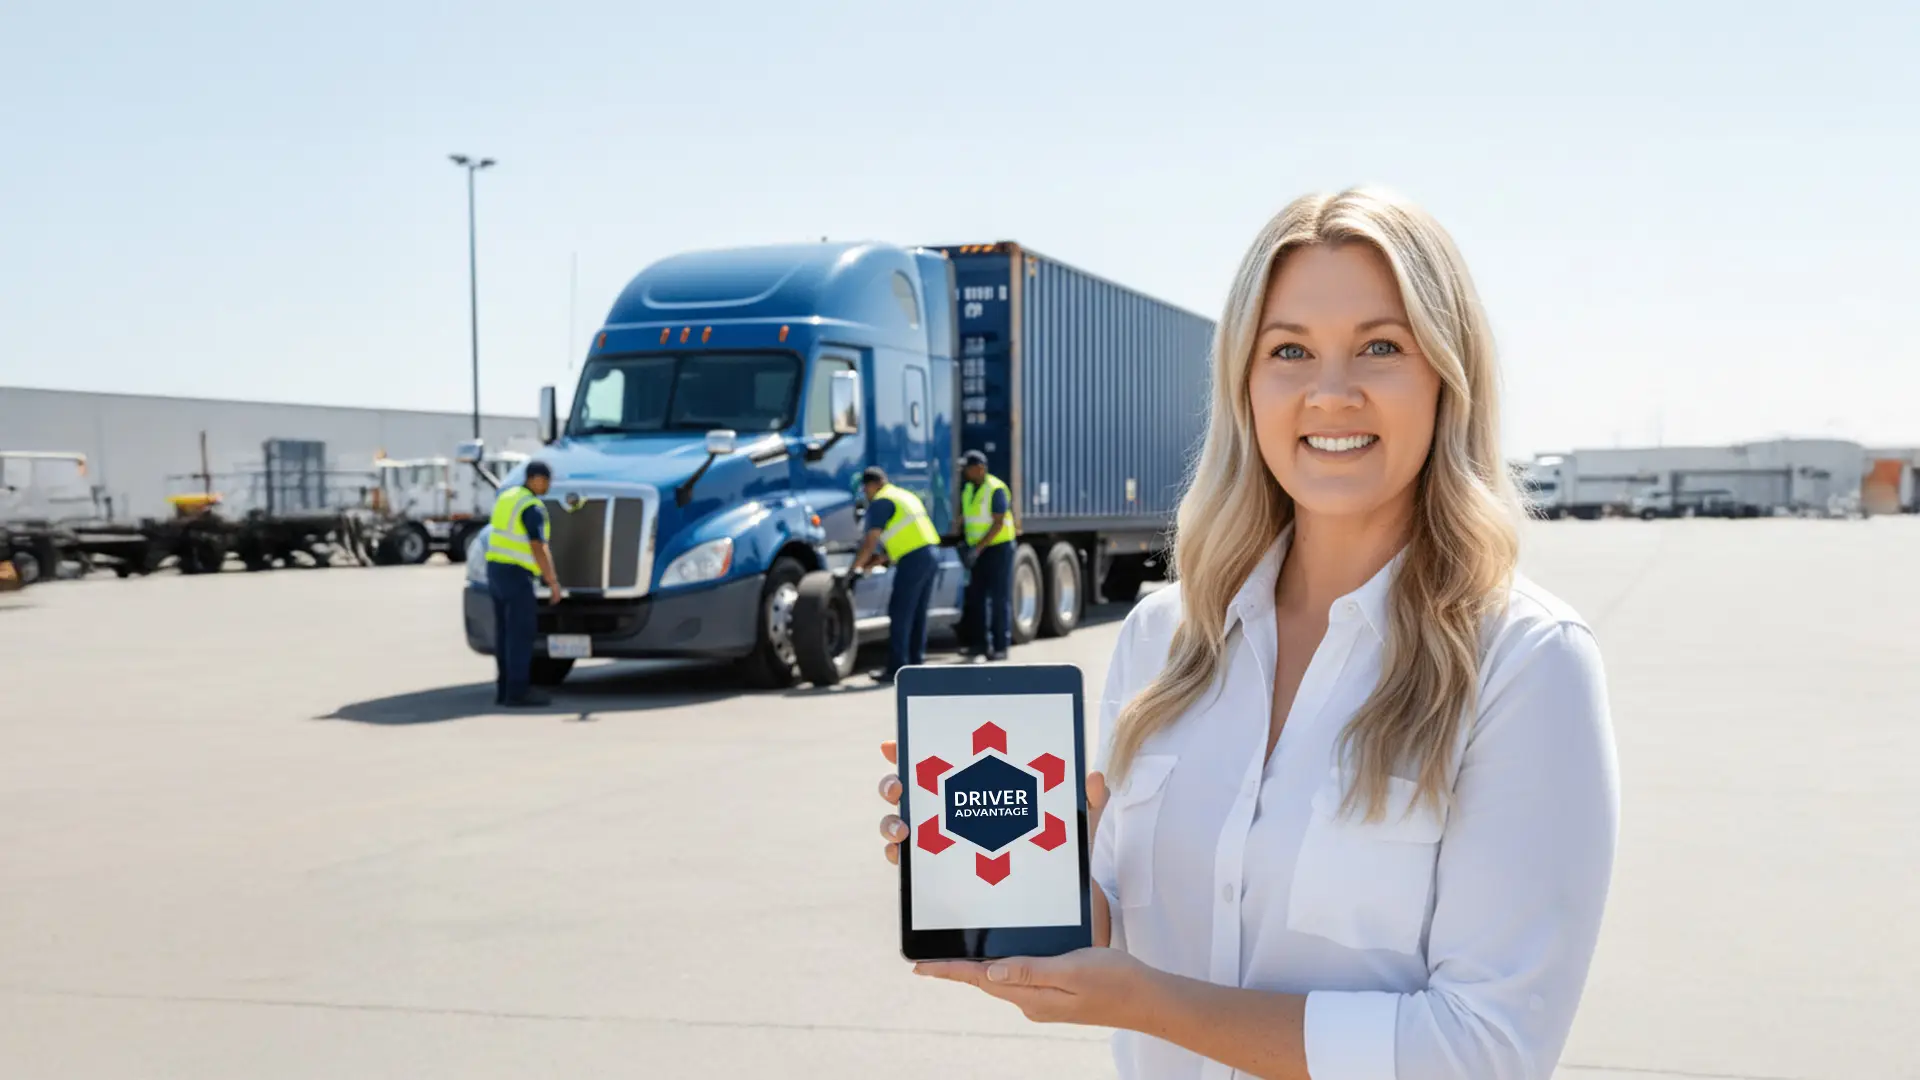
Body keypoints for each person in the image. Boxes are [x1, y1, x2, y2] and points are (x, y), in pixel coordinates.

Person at [875, 187, 1618, 1079]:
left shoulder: (1525, 663)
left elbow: (1485, 1050)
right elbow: (1116, 928)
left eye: (1380, 347)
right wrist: (1018, 870)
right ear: (1244, 384)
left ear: (1447, 377)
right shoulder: (1163, 640)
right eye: (1289, 351)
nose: (1330, 392)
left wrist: (1151, 1005)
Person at [850, 466, 940, 684]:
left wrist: (855, 569)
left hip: (913, 560)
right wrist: (878, 560)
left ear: (873, 485)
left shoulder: (881, 501)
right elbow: (905, 535)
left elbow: (870, 541)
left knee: (899, 612)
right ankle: (916, 665)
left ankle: (897, 669)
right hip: (929, 553)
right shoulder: (903, 495)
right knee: (917, 613)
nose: (866, 494)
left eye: (866, 489)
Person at [484, 461, 564, 707]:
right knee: (521, 634)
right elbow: (538, 546)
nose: (549, 486)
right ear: (536, 479)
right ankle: (518, 692)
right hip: (516, 575)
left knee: (504, 634)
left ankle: (504, 689)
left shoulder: (507, 497)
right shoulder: (531, 506)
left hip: (495, 570)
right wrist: (552, 581)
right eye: (547, 481)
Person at [957, 449, 1016, 661]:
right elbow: (967, 517)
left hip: (998, 549)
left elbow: (998, 523)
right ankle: (979, 645)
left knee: (998, 599)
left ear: (980, 469)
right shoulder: (968, 489)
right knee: (976, 598)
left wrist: (978, 549)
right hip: (978, 550)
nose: (964, 472)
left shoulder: (996, 489)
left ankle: (1000, 646)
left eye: (968, 468)